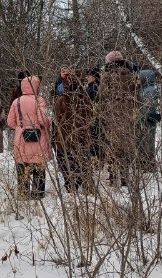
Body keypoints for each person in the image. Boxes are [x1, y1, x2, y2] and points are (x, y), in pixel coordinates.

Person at [97, 50, 139, 187]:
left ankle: (113, 177)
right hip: (127, 113)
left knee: (112, 145)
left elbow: (101, 96)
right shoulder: (130, 74)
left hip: (111, 113)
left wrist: (101, 112)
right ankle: (125, 177)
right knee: (126, 145)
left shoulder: (107, 76)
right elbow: (137, 95)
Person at [7, 75, 52, 199]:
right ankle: (37, 194)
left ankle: (23, 194)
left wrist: (21, 127)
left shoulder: (17, 101)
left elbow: (10, 122)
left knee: (22, 167)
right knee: (39, 167)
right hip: (38, 139)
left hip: (21, 138)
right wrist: (48, 123)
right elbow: (42, 120)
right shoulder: (39, 100)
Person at [54, 70, 93, 193]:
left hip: (66, 137)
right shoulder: (85, 99)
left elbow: (56, 118)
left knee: (66, 160)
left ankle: (71, 185)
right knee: (83, 160)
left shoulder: (62, 100)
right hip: (82, 136)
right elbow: (90, 117)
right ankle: (85, 183)